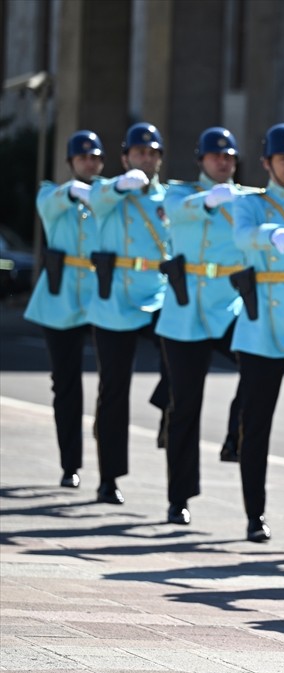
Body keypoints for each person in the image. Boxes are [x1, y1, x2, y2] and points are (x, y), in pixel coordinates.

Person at [230, 123, 284, 543]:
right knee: (256, 424)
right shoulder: (252, 205)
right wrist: (270, 234)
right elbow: (241, 237)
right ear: (266, 162)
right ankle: (255, 514)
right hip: (262, 324)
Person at [157, 127, 247, 526]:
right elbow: (175, 211)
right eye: (216, 156)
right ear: (201, 161)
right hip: (188, 309)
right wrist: (210, 199)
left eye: (229, 156)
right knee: (184, 407)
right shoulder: (180, 194)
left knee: (262, 366)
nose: (224, 162)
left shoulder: (245, 199)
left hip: (230, 304)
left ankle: (235, 435)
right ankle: (179, 498)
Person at [85, 122, 173, 505]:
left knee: (183, 360)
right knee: (114, 389)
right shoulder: (111, 194)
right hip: (117, 300)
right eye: (139, 153)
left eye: (153, 153)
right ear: (124, 158)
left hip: (156, 294)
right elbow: (96, 196)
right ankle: (108, 477)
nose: (147, 159)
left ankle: (165, 409)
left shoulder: (168, 198)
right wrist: (121, 184)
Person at [24, 130, 104, 489]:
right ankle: (70, 464)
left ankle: (107, 451)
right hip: (60, 302)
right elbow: (49, 202)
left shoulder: (107, 197)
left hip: (102, 298)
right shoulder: (54, 194)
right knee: (66, 385)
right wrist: (71, 191)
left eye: (95, 157)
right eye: (83, 157)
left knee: (113, 381)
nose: (90, 162)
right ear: (71, 162)